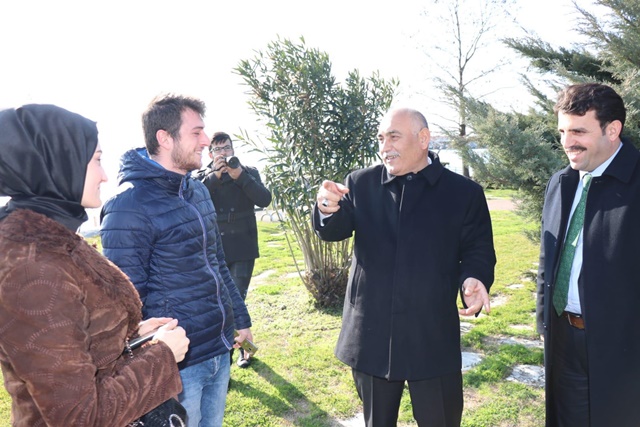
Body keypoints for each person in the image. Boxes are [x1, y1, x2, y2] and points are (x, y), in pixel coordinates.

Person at [0, 104, 189, 426]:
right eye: (97, 160)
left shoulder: (51, 238)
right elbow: (79, 417)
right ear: (58, 163)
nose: (104, 176)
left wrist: (130, 340)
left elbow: (77, 343)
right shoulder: (30, 266)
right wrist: (162, 356)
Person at [313, 107, 496, 427]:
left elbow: (478, 249)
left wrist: (475, 278)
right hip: (372, 334)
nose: (385, 147)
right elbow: (334, 229)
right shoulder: (361, 183)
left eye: (394, 137)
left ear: (423, 139)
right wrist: (327, 209)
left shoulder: (464, 193)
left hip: (432, 335)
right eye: (381, 138)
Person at [100, 95, 253, 427]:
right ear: (165, 138)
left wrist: (240, 320)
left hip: (219, 349)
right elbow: (124, 302)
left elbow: (217, 263)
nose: (206, 141)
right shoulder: (128, 206)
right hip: (177, 364)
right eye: (196, 132)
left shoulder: (198, 192)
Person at [537, 83, 640, 427]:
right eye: (562, 132)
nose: (567, 142)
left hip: (625, 351)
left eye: (579, 131)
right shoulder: (561, 183)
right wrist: (544, 319)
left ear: (613, 130)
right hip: (564, 339)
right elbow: (548, 256)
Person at [197, 132, 272, 368]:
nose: (224, 153)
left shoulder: (248, 172)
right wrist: (215, 176)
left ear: (233, 149)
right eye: (218, 150)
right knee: (220, 302)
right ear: (210, 154)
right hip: (214, 249)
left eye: (227, 148)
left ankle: (236, 354)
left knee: (236, 300)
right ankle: (236, 351)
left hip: (243, 246)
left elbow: (264, 199)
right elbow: (195, 202)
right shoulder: (202, 177)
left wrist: (240, 176)